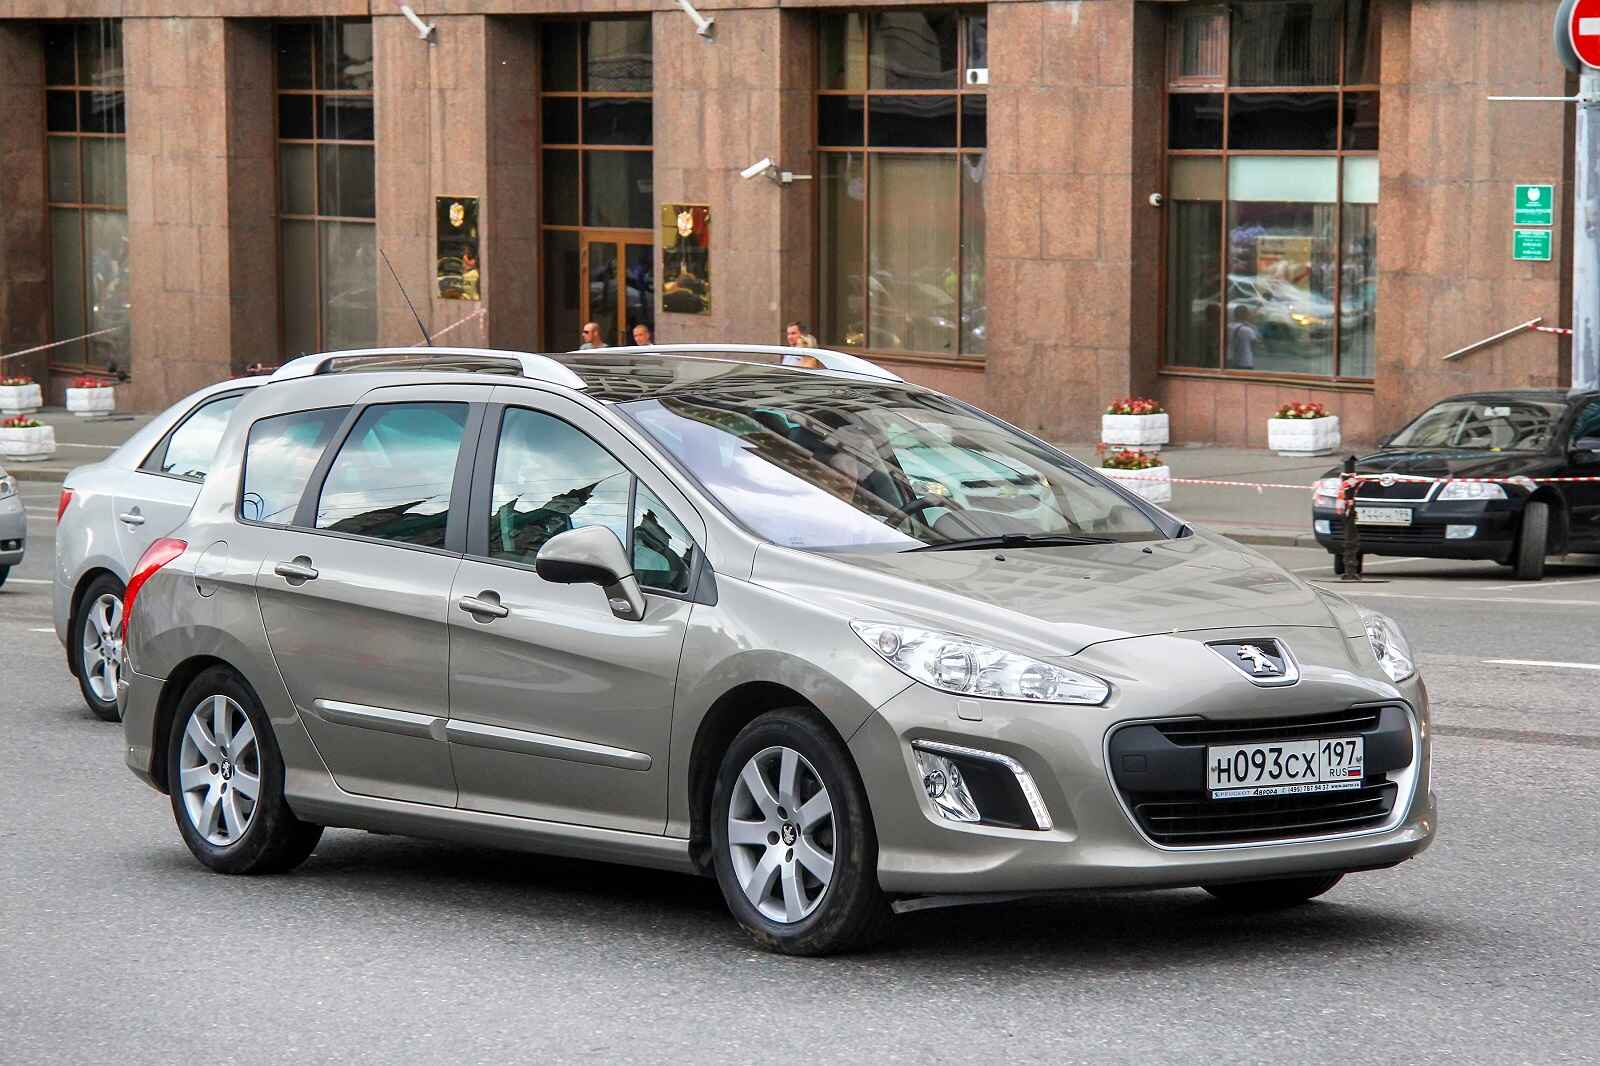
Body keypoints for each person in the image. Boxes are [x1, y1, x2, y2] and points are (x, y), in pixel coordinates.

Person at [1226, 305, 1259, 370]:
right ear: (1245, 315)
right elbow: (1255, 344)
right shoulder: (1247, 329)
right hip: (1245, 362)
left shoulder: (1227, 327)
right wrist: (1252, 325)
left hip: (1230, 360)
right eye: (1248, 314)